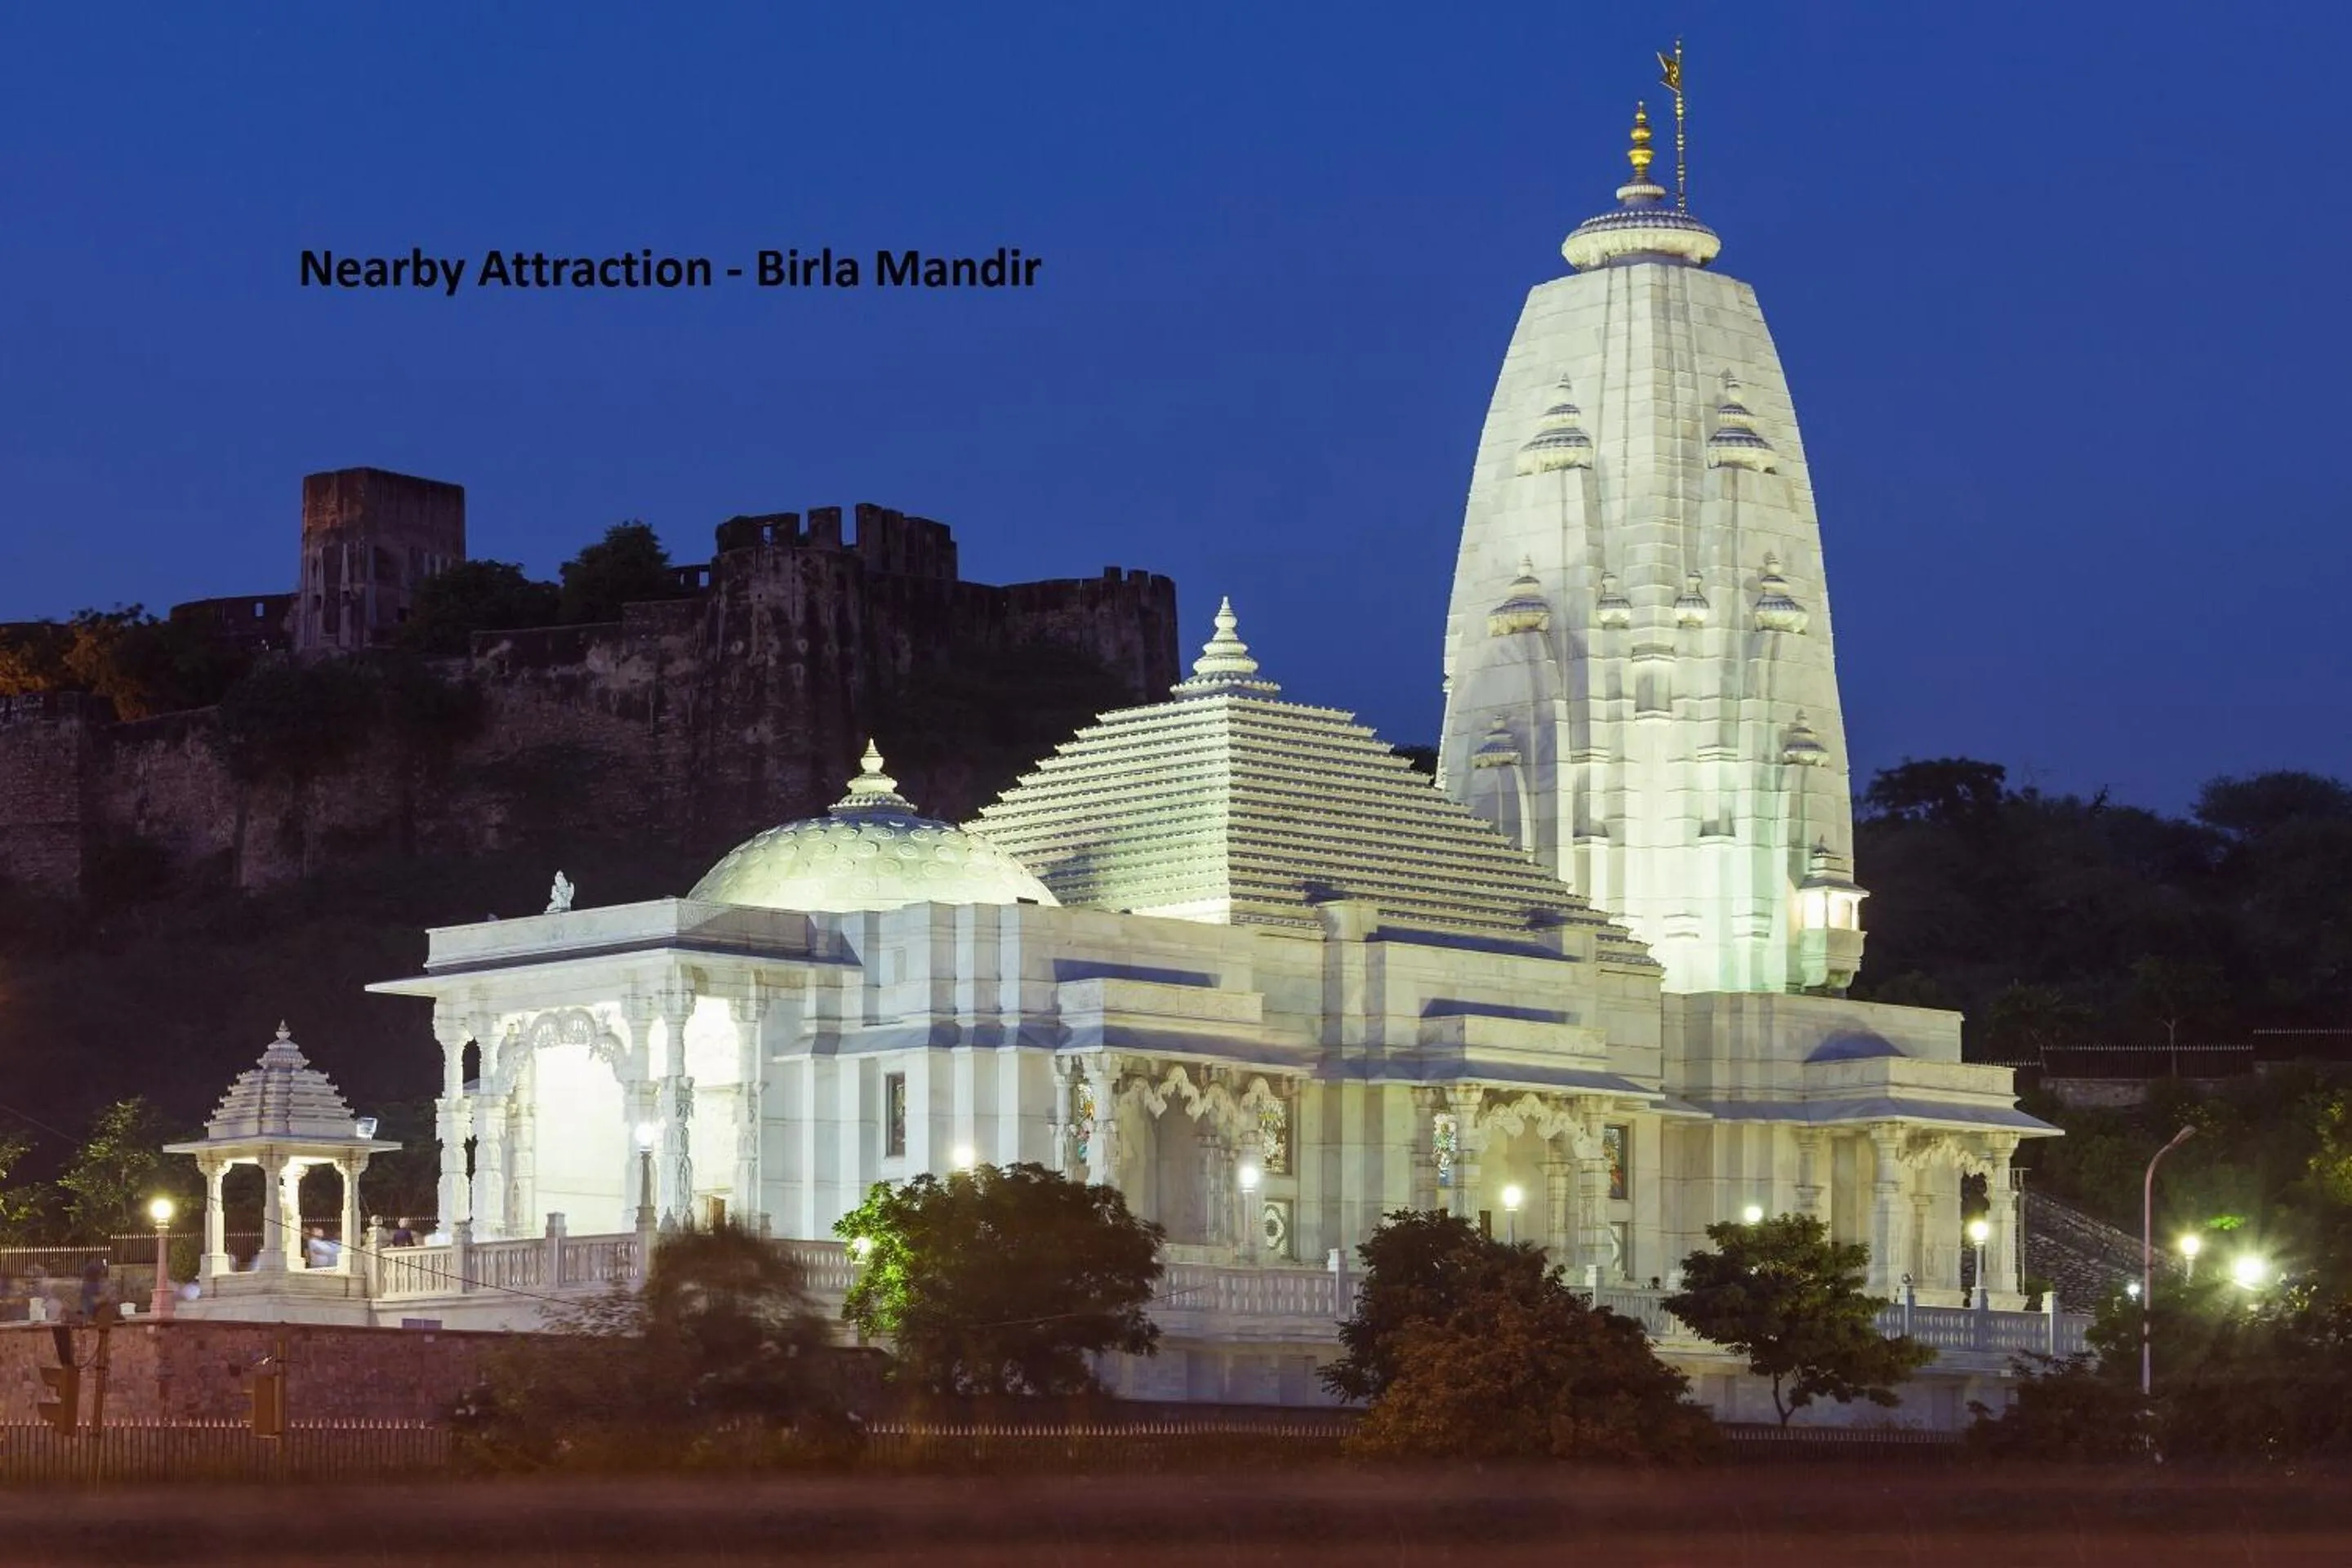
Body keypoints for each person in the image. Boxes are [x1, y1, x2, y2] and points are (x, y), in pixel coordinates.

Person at [78, 1255, 109, 1319]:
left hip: (88, 1286)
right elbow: (101, 1274)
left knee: (87, 1302)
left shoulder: (86, 1268)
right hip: (94, 1285)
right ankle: (92, 1315)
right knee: (93, 1301)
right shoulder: (94, 1267)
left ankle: (87, 1315)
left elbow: (84, 1277)